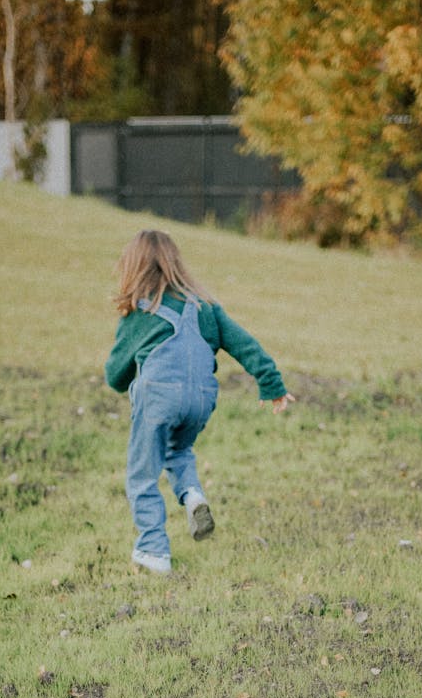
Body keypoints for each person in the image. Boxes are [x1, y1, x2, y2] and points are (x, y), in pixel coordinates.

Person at [105, 230, 294, 574]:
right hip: (201, 398)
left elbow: (115, 376)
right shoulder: (205, 308)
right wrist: (272, 385)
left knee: (142, 474)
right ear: (177, 264)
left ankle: (153, 551)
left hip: (160, 397)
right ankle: (192, 495)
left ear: (133, 268)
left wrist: (130, 370)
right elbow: (246, 345)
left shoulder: (139, 313)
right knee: (178, 452)